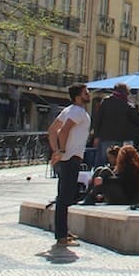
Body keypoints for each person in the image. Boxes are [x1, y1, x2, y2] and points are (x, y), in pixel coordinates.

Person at [48, 83, 92, 248]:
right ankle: (61, 236)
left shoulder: (68, 110)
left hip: (67, 157)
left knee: (64, 196)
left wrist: (56, 151)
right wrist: (61, 150)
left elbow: (52, 130)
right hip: (71, 157)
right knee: (64, 197)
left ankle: (63, 233)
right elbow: (63, 131)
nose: (88, 94)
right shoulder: (78, 112)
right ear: (78, 95)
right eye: (85, 92)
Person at [94, 83, 139, 147]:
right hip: (121, 138)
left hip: (105, 137)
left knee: (104, 156)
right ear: (126, 92)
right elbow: (137, 118)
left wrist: (96, 136)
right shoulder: (127, 104)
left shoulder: (106, 101)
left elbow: (98, 119)